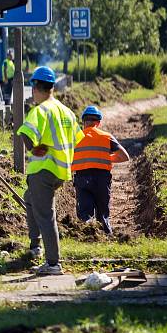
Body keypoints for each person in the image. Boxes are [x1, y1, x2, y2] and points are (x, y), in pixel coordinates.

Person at [16, 66, 84, 275]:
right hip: (60, 171)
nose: (32, 93)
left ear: (37, 87)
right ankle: (36, 246)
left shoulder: (40, 110)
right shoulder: (66, 112)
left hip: (42, 170)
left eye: (32, 88)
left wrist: (33, 148)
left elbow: (25, 134)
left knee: (45, 215)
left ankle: (53, 264)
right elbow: (78, 139)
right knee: (29, 199)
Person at [71, 105, 130, 234]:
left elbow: (66, 158)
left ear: (83, 122)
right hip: (102, 180)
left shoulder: (75, 138)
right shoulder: (106, 137)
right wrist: (107, 158)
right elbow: (125, 156)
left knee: (85, 216)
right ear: (98, 122)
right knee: (103, 216)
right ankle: (107, 238)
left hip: (82, 178)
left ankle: (86, 239)